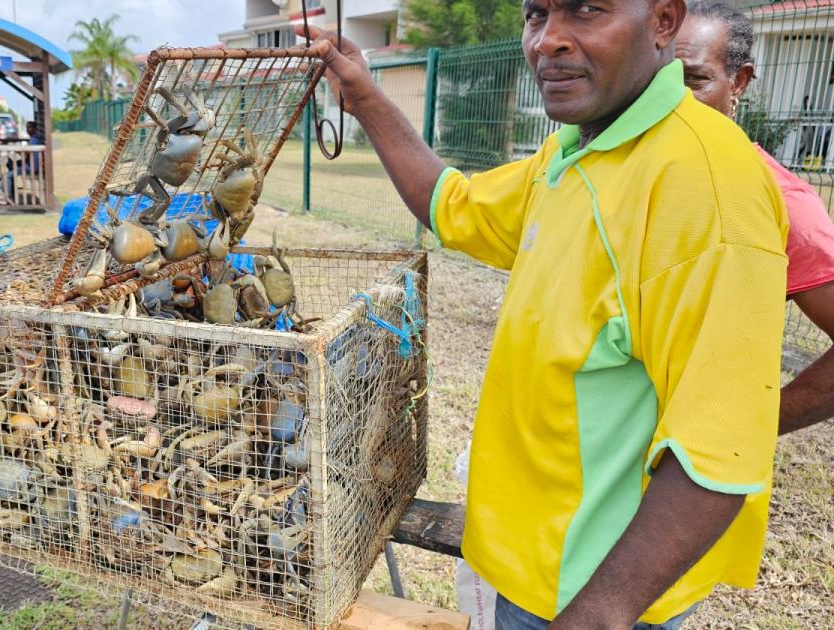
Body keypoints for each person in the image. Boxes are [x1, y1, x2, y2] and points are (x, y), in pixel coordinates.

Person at [299, 0, 788, 627]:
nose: (548, 40)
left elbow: (716, 460)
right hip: (524, 566)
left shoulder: (709, 191)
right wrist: (363, 94)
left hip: (586, 596)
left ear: (664, 21)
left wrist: (598, 613)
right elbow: (453, 205)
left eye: (587, 11)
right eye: (537, 14)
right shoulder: (575, 154)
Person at [676, 0, 834, 436]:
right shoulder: (616, 169)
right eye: (658, 82)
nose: (671, 101)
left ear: (739, 82)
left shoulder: (782, 202)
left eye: (694, 81)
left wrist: (747, 427)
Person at [4, 120, 43, 205]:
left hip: (31, 168)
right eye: (27, 127)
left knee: (6, 176)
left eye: (30, 127)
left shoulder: (34, 140)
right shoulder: (33, 138)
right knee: (10, 164)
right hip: (30, 165)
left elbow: (26, 153)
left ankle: (7, 198)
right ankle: (12, 194)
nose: (28, 129)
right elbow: (26, 154)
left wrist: (15, 148)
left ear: (35, 129)